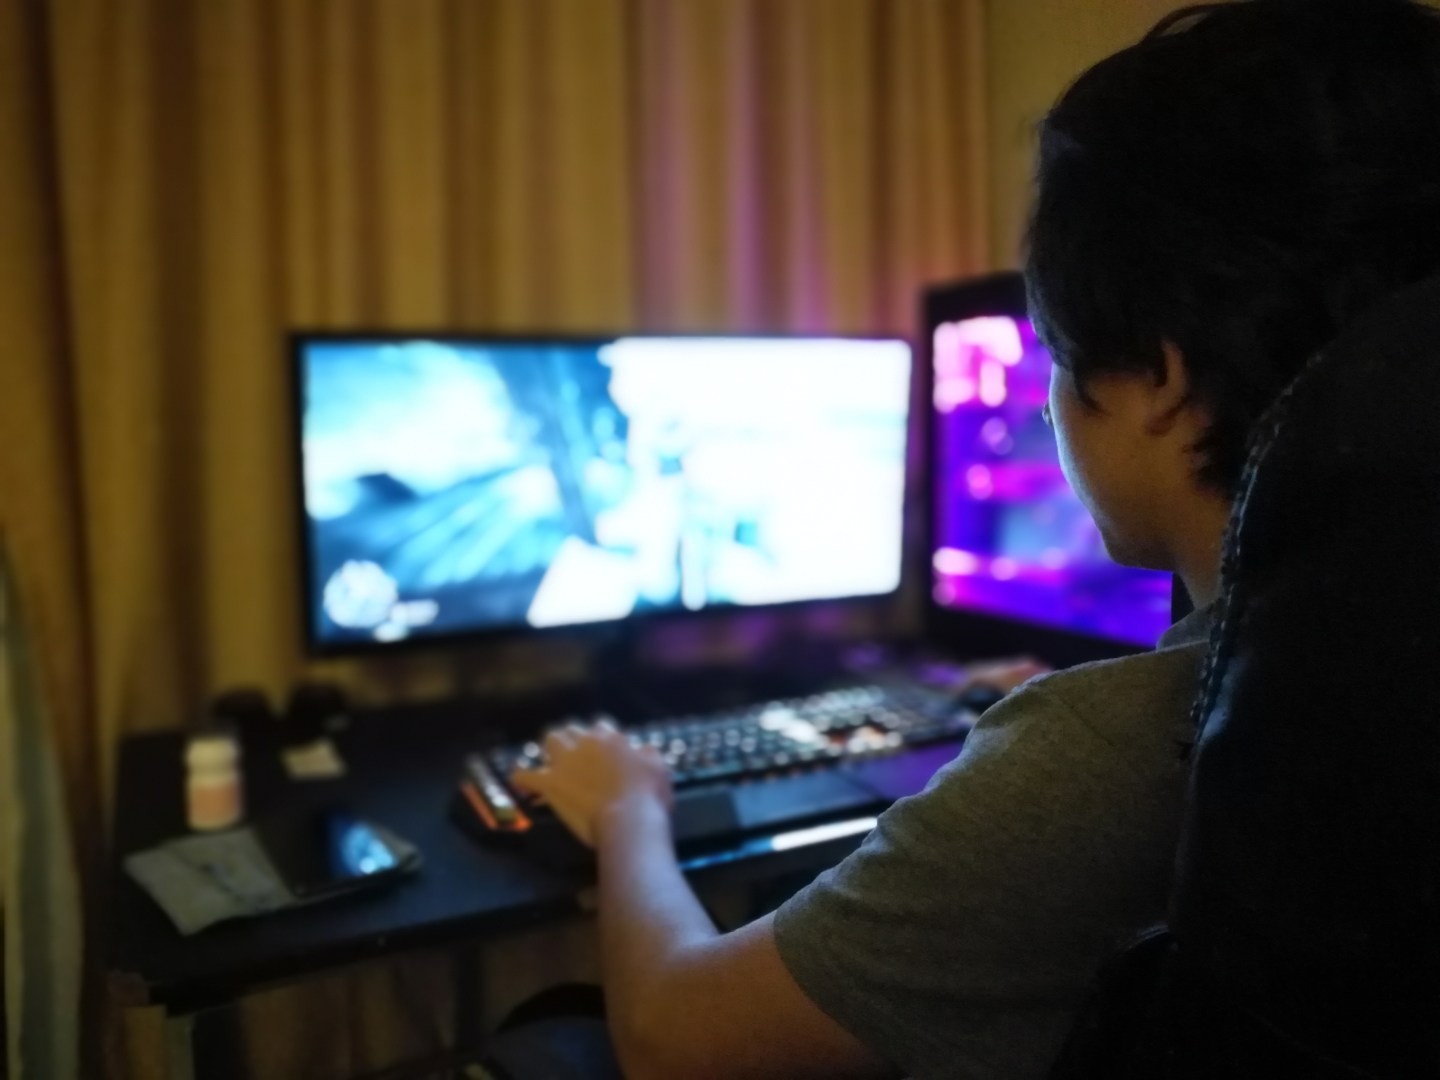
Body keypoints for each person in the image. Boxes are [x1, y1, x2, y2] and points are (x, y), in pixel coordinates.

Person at [508, 2, 1440, 1077]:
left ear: (1164, 382)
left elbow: (674, 1038)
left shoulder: (1118, 747)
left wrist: (630, 808)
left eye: (1056, 351)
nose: (1048, 403)